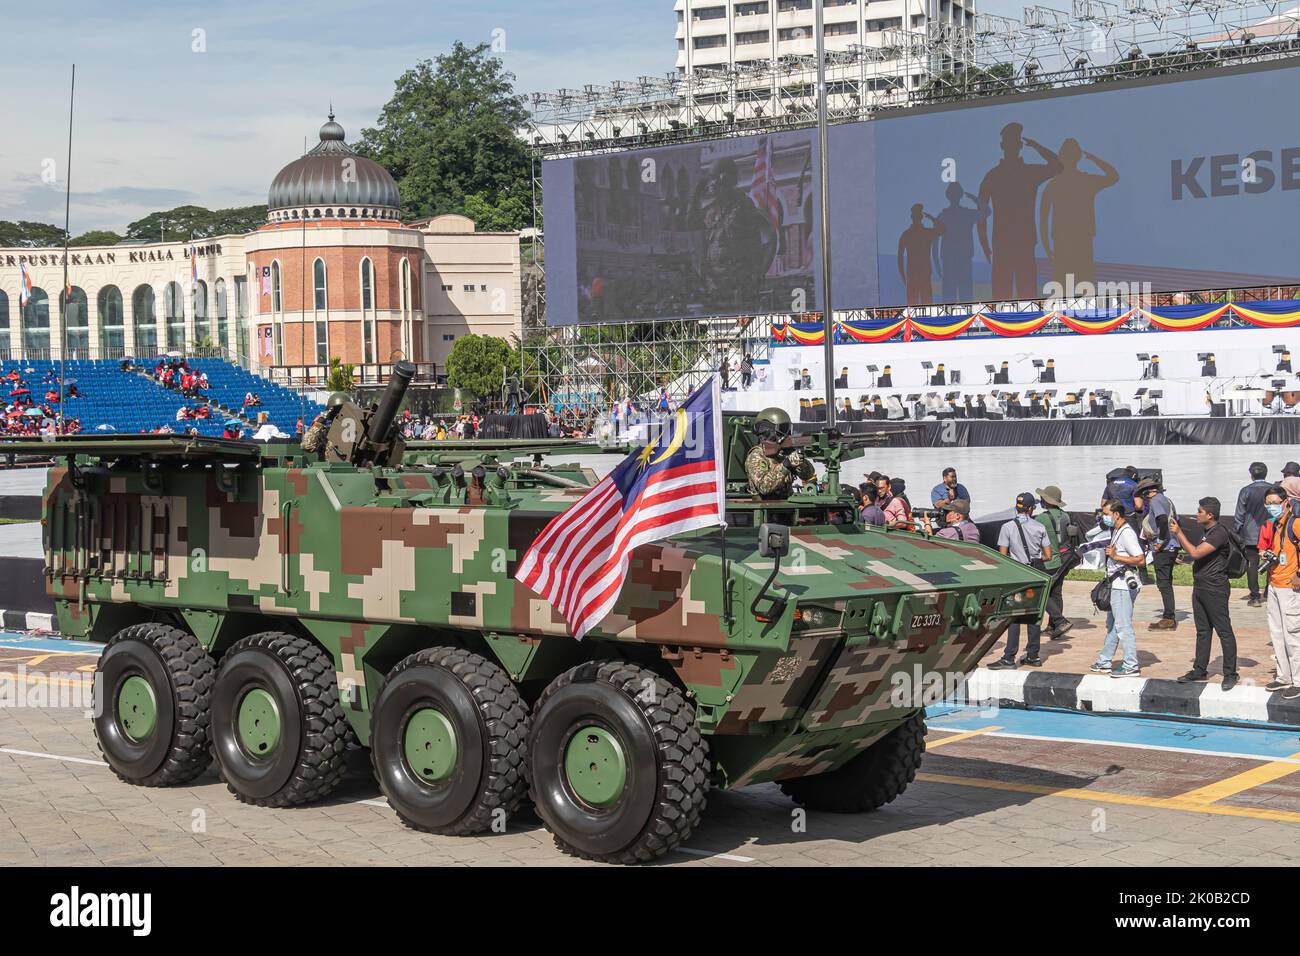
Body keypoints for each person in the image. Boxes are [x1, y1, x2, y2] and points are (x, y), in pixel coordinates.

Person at [1171, 497, 1239, 691]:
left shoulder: (1218, 533)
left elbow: (1196, 553)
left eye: (1200, 511)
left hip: (1215, 588)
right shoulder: (1207, 531)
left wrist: (1179, 533)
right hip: (1200, 586)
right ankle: (1200, 670)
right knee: (1202, 630)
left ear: (1210, 515)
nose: (1196, 513)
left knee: (1224, 631)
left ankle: (1230, 673)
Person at [990, 492, 1052, 668]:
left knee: (1014, 617)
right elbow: (1047, 555)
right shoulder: (1039, 527)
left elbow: (1003, 556)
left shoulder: (1007, 527)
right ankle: (1033, 655)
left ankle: (1009, 657)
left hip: (1017, 575)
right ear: (1031, 508)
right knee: (1033, 615)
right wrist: (1035, 557)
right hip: (1034, 573)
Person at [1089, 499, 1147, 678]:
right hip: (1116, 584)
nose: (1104, 517)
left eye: (1106, 514)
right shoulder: (1117, 530)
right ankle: (1105, 660)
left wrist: (1116, 557)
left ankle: (1131, 666)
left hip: (1123, 586)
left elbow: (1140, 559)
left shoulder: (1127, 533)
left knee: (1123, 626)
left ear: (1116, 514)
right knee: (1113, 625)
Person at [1259, 487, 1300, 698]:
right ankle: (1284, 676)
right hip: (1275, 584)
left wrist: (1299, 574)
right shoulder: (1276, 524)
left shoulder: (1295, 522)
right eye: (1268, 504)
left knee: (1293, 634)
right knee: (1277, 633)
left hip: (1290, 588)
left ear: (1285, 502)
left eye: (1274, 502)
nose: (1271, 507)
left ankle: (1298, 680)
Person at [1134, 477, 1179, 630]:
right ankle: (1169, 616)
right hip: (1171, 546)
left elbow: (1162, 520)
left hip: (1165, 548)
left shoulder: (1155, 501)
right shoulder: (1166, 500)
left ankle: (1169, 618)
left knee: (1164, 583)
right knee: (1166, 582)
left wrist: (1160, 541)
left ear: (1147, 493)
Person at [745, 407, 814, 500]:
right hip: (765, 509)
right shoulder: (756, 456)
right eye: (783, 428)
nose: (786, 433)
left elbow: (808, 475)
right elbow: (764, 487)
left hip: (786, 507)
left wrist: (799, 459)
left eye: (788, 428)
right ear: (767, 430)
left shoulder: (783, 453)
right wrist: (786, 465)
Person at [1034, 484, 1074, 638]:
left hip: (1047, 561)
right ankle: (1052, 626)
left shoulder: (1041, 518)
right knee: (1057, 593)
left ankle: (1059, 621)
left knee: (1043, 593)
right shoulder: (1065, 516)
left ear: (1046, 500)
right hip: (1063, 559)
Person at [1234, 461, 1272, 607]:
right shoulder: (1272, 489)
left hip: (1251, 535)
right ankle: (1269, 590)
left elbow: (1239, 515)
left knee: (1252, 564)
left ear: (1251, 475)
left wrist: (1237, 532)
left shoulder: (1246, 491)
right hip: (1270, 533)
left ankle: (1255, 596)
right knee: (1271, 562)